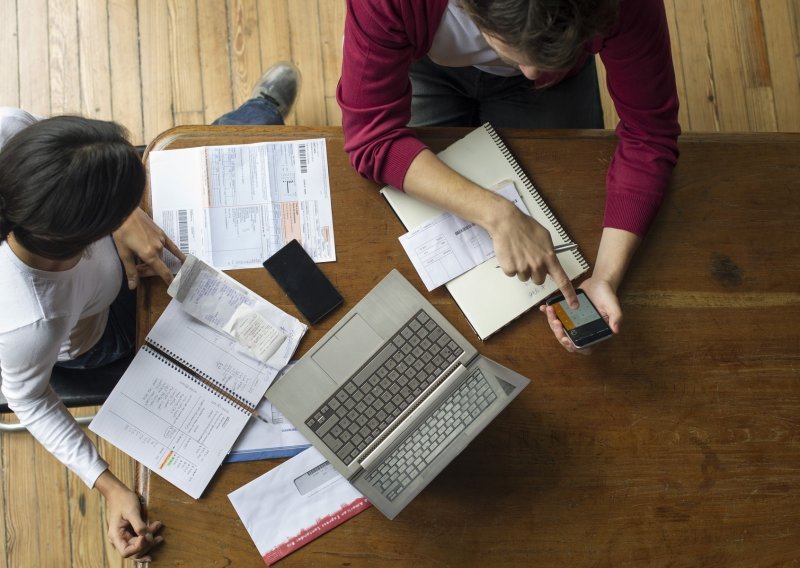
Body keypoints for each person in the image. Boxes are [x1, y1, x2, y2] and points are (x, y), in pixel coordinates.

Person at [0, 61, 301, 561]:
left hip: (104, 262)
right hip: (101, 332)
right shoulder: (31, 323)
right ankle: (259, 113)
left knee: (204, 172)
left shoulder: (10, 132)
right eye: (125, 204)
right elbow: (30, 402)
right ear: (85, 233)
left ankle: (259, 112)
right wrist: (111, 487)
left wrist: (128, 220)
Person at [337, 0, 680, 353]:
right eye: (516, 49)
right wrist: (497, 214)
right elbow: (372, 138)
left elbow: (649, 135)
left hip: (560, 72)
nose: (531, 73)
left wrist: (605, 276)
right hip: (426, 65)